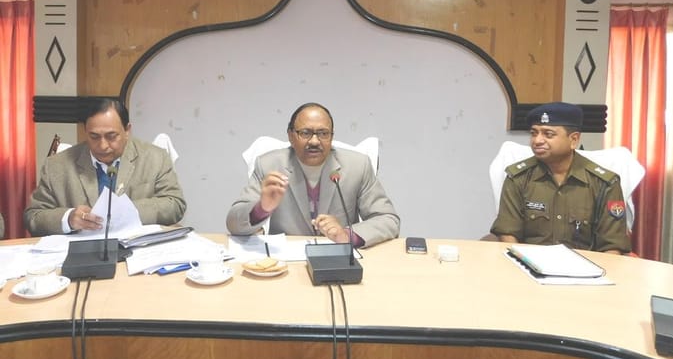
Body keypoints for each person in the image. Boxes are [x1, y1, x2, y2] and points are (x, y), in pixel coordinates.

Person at [226, 102, 400, 247]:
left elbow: (388, 219)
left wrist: (346, 235)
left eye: (323, 133)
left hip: (337, 258)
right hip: (287, 261)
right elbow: (233, 223)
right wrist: (261, 209)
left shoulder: (358, 166)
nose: (315, 141)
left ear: (331, 137)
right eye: (305, 133)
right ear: (291, 136)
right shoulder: (269, 165)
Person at [24, 98, 187, 237]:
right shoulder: (57, 166)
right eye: (94, 136)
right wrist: (68, 218)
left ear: (127, 130)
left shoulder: (155, 158)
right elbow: (33, 217)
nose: (103, 146)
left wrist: (129, 211)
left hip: (137, 249)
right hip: (82, 253)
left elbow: (175, 204)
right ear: (85, 131)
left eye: (111, 136)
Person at [490, 102, 631, 254]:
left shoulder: (604, 183)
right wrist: (521, 262)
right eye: (534, 133)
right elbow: (508, 234)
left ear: (574, 140)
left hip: (585, 266)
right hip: (528, 263)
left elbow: (612, 246)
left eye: (548, 134)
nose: (537, 140)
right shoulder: (518, 178)